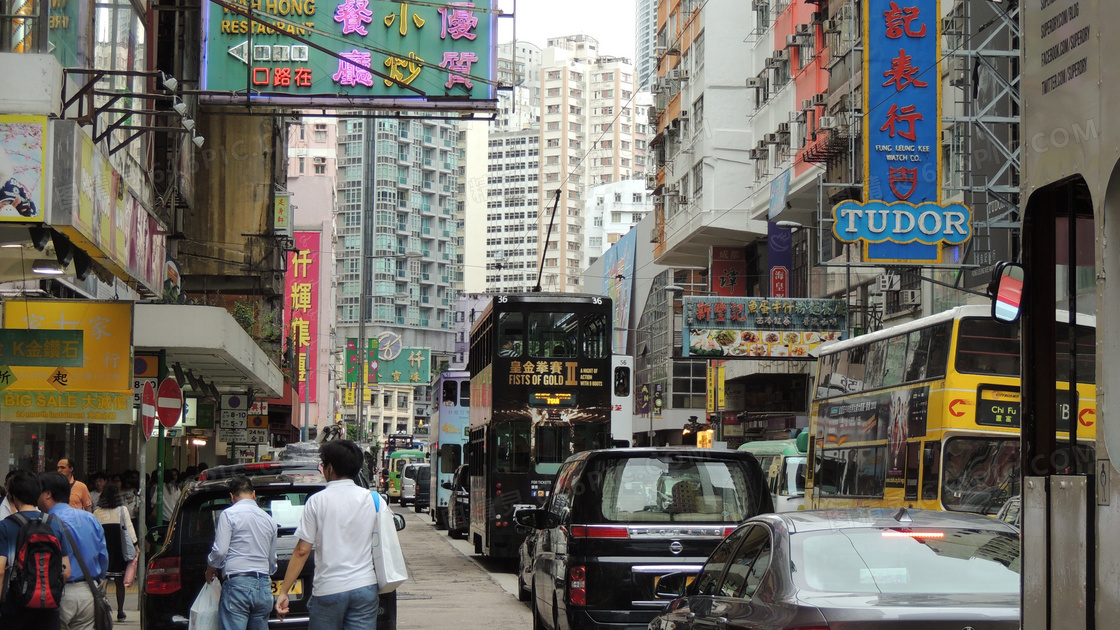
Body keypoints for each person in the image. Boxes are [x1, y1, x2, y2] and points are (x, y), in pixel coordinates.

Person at [275, 440, 387, 629]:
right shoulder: (373, 499)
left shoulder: (317, 501)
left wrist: (284, 591)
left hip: (329, 589)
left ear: (329, 468)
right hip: (364, 586)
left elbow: (302, 551)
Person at [0, 471, 73, 630]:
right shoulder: (54, 523)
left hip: (14, 609)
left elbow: (0, 570)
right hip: (49, 609)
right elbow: (66, 572)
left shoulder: (5, 526)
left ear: (12, 496)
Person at [205, 476, 277, 630]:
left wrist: (210, 568)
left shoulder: (228, 514)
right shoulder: (269, 519)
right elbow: (272, 560)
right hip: (263, 586)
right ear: (254, 494)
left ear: (232, 497)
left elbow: (220, 551)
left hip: (237, 586)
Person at [39, 472, 109, 630]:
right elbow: (103, 557)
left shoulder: (45, 523)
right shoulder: (90, 518)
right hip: (89, 591)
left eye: (39, 491)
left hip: (58, 594)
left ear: (48, 494)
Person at [93, 485, 138, 621]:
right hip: (119, 549)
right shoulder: (122, 510)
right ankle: (120, 611)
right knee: (119, 582)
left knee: (104, 580)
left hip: (103, 549)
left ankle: (102, 609)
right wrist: (136, 545)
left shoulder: (97, 512)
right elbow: (129, 528)